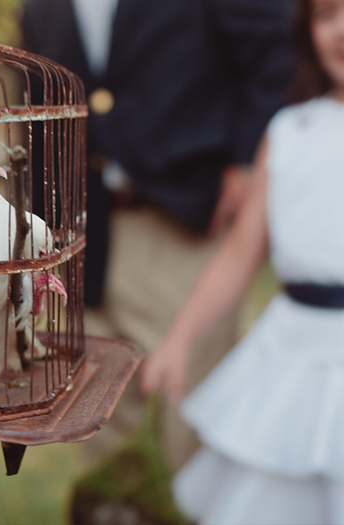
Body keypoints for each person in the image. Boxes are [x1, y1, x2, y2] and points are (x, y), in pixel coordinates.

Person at [21, 0, 294, 474]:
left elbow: (276, 54)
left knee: (192, 419)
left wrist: (249, 160)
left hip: (182, 223)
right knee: (100, 422)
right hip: (85, 232)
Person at [140, 0, 344, 522]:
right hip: (293, 353)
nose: (339, 30)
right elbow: (237, 255)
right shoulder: (289, 131)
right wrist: (180, 337)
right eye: (325, 15)